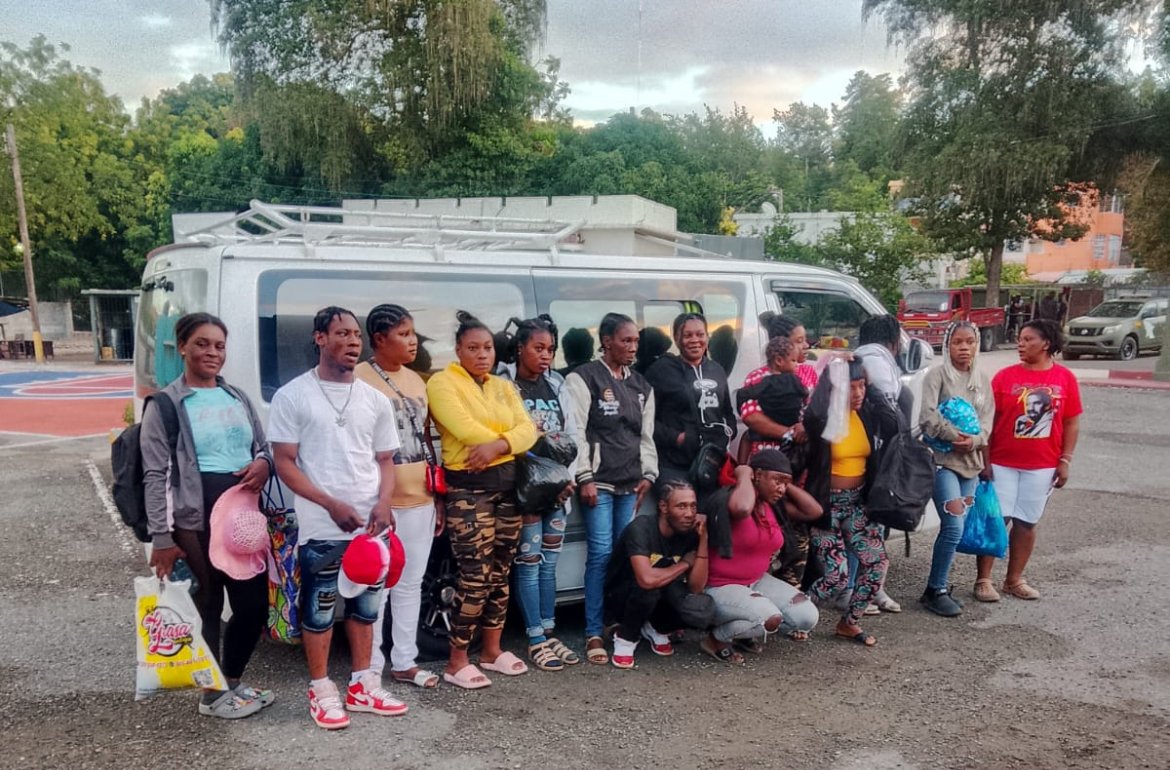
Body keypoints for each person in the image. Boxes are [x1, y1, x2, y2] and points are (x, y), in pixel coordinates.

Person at [268, 306, 405, 730]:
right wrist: (329, 503)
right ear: (319, 338)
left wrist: (384, 503)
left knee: (366, 608)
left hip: (370, 526)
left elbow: (386, 460)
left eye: (356, 335)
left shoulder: (375, 399)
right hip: (323, 526)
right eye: (342, 333)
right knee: (320, 609)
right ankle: (321, 688)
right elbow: (284, 462)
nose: (352, 342)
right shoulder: (293, 395)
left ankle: (363, 685)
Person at [142, 312, 274, 720]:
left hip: (241, 518)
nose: (212, 352)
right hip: (194, 519)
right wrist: (162, 538)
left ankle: (230, 680)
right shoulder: (166, 405)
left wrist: (264, 464)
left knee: (253, 606)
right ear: (182, 347)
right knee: (208, 606)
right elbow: (155, 474)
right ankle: (212, 695)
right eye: (202, 343)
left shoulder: (237, 396)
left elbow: (263, 446)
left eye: (219, 345)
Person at [427, 311, 538, 688]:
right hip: (469, 491)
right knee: (474, 576)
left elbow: (529, 429)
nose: (482, 354)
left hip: (508, 488)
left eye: (488, 347)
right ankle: (456, 660)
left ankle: (491, 651)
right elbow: (464, 429)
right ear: (458, 350)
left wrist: (498, 445)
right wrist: (507, 439)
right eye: (473, 348)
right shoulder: (442, 383)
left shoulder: (502, 385)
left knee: (501, 573)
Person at [354, 304, 443, 690]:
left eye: (412, 333)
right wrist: (375, 499)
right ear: (379, 339)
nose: (412, 341)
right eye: (403, 334)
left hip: (420, 498)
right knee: (377, 585)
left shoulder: (417, 381)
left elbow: (426, 440)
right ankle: (370, 666)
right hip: (379, 501)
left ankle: (404, 661)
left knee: (411, 582)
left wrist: (437, 496)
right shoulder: (358, 379)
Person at [564, 312, 658, 665]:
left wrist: (649, 474)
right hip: (599, 484)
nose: (633, 347)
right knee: (601, 556)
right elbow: (576, 430)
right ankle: (593, 631)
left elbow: (645, 435)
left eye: (636, 341)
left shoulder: (641, 385)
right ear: (606, 342)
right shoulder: (584, 378)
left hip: (631, 484)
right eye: (626, 340)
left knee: (626, 558)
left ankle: (619, 623)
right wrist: (584, 476)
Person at [496, 314, 582, 671]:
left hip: (557, 491)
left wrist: (567, 481)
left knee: (550, 565)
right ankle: (534, 638)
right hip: (526, 490)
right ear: (520, 348)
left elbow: (573, 435)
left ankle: (549, 631)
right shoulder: (504, 384)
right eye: (538, 348)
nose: (545, 356)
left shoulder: (557, 385)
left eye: (550, 349)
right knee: (529, 564)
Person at [974, 319, 1082, 602]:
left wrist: (1065, 460)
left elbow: (1071, 422)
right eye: (1020, 339)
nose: (1020, 344)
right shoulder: (1004, 377)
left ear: (1046, 343)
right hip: (1002, 463)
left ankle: (1014, 580)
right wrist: (985, 459)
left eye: (1028, 339)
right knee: (997, 520)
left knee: (1027, 522)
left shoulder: (1065, 378)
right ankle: (983, 580)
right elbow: (987, 421)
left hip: (1043, 465)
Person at [802, 358, 901, 647]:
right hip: (826, 507)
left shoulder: (866, 414)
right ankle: (798, 615)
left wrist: (871, 384)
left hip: (857, 505)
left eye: (862, 386)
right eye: (851, 387)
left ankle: (849, 622)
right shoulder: (824, 419)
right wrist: (832, 371)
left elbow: (894, 422)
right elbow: (812, 411)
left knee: (877, 565)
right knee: (837, 575)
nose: (858, 393)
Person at [702, 450, 822, 662]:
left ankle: (745, 631)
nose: (781, 488)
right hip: (720, 587)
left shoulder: (772, 506)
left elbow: (814, 511)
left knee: (806, 616)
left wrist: (783, 482)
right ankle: (717, 639)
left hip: (756, 582)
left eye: (785, 482)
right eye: (777, 480)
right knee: (768, 618)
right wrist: (743, 475)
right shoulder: (731, 497)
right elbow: (741, 509)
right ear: (757, 475)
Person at [918, 320, 993, 617]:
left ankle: (937, 587)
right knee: (953, 525)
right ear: (947, 345)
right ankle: (935, 590)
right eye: (957, 342)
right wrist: (953, 437)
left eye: (969, 342)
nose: (964, 348)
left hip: (971, 465)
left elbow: (987, 422)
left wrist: (974, 441)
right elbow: (927, 417)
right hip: (942, 462)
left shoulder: (982, 380)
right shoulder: (937, 376)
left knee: (956, 528)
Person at [603, 478, 715, 669]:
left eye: (693, 506)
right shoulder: (641, 528)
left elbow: (696, 587)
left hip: (660, 589)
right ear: (663, 507)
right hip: (623, 596)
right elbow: (646, 580)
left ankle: (656, 627)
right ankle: (626, 638)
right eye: (681, 506)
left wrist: (704, 539)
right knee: (649, 589)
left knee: (702, 609)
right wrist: (684, 564)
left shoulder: (690, 532)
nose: (689, 513)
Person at [644, 312, 736, 484]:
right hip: (673, 463)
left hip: (711, 461)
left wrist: (726, 435)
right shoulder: (660, 371)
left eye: (700, 334)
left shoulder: (717, 370)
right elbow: (645, 418)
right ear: (676, 338)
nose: (695, 340)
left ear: (707, 337)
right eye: (688, 335)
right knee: (684, 502)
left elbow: (727, 412)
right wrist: (677, 438)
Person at [736, 335, 807, 469]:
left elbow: (748, 409)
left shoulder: (762, 381)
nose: (796, 365)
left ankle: (741, 469)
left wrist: (741, 395)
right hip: (792, 446)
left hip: (763, 446)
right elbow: (807, 399)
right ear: (779, 360)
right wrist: (794, 431)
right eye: (793, 361)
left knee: (748, 436)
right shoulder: (796, 380)